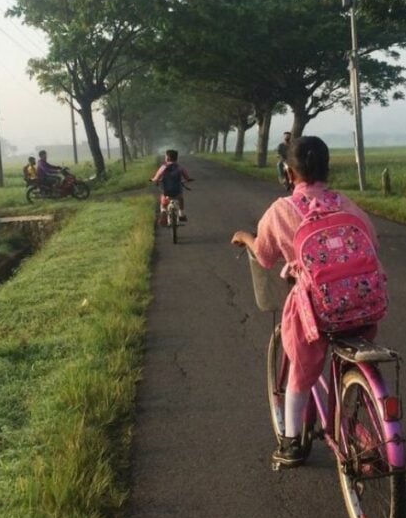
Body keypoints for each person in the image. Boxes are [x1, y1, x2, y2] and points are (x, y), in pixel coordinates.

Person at [231, 136, 384, 468]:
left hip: (316, 312)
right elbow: (371, 239)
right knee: (347, 362)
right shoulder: (345, 203)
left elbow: (266, 256)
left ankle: (291, 444)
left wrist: (245, 237)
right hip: (363, 306)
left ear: (288, 173)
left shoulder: (281, 210)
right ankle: (357, 415)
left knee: (300, 372)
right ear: (326, 168)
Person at [151, 149, 193, 224]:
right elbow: (187, 177)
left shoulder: (163, 167)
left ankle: (163, 211)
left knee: (163, 201)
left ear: (167, 158)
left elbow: (156, 177)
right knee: (181, 198)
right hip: (177, 191)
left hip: (166, 191)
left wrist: (153, 179)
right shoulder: (180, 167)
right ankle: (181, 213)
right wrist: (188, 179)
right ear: (176, 158)